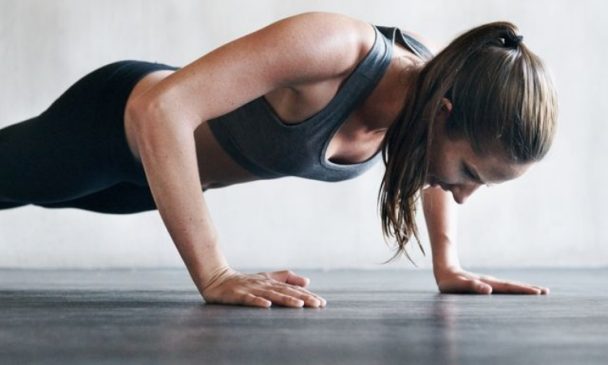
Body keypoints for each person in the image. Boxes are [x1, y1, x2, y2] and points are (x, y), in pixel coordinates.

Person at [0, 11, 557, 308]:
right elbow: (164, 108)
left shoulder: (428, 97)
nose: (462, 193)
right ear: (444, 111)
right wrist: (215, 272)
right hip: (110, 127)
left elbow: (432, 169)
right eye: (471, 173)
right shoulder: (335, 48)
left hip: (153, 185)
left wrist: (448, 265)